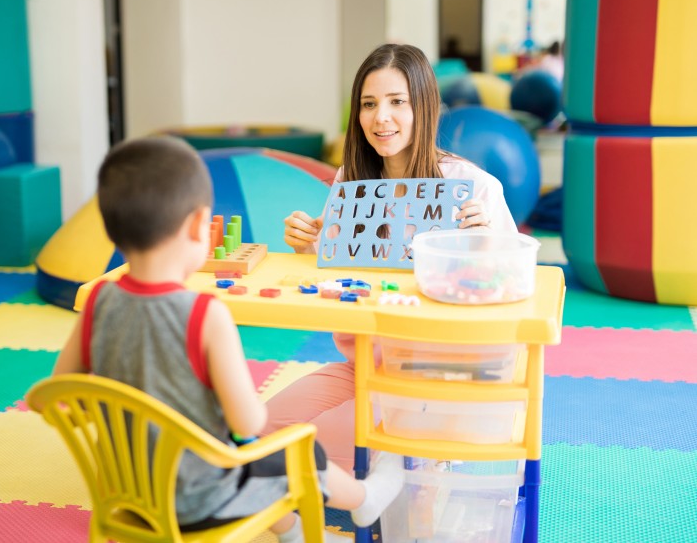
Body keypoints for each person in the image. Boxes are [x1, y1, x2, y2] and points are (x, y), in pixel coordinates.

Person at [52, 136, 404, 543]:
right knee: (291, 452)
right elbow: (249, 424)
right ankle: (364, 497)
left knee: (246, 456)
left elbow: (62, 391)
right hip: (201, 502)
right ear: (198, 226)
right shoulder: (205, 315)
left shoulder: (97, 300)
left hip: (124, 492)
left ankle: (297, 533)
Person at [266, 43, 518, 472]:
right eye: (368, 104)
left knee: (311, 453)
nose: (380, 117)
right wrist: (307, 243)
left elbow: (516, 292)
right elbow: (340, 269)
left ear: (425, 107)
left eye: (397, 101)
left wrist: (487, 248)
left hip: (439, 379)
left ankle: (424, 465)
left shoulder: (474, 186)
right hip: (364, 364)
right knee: (258, 432)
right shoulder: (351, 182)